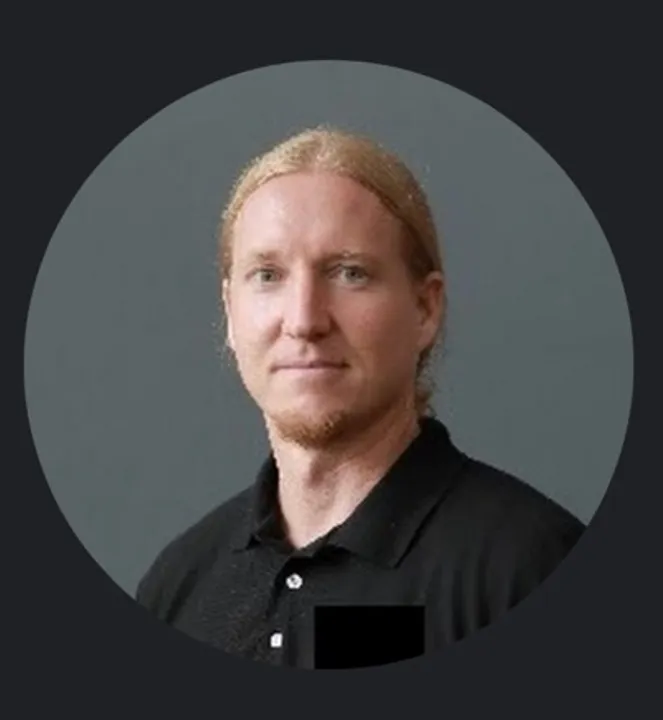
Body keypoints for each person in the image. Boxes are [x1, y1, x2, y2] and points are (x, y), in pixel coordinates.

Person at [135, 126, 585, 668]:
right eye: (268, 275)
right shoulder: (179, 587)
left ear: (425, 308)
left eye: (350, 273)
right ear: (231, 312)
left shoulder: (529, 568)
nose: (304, 320)